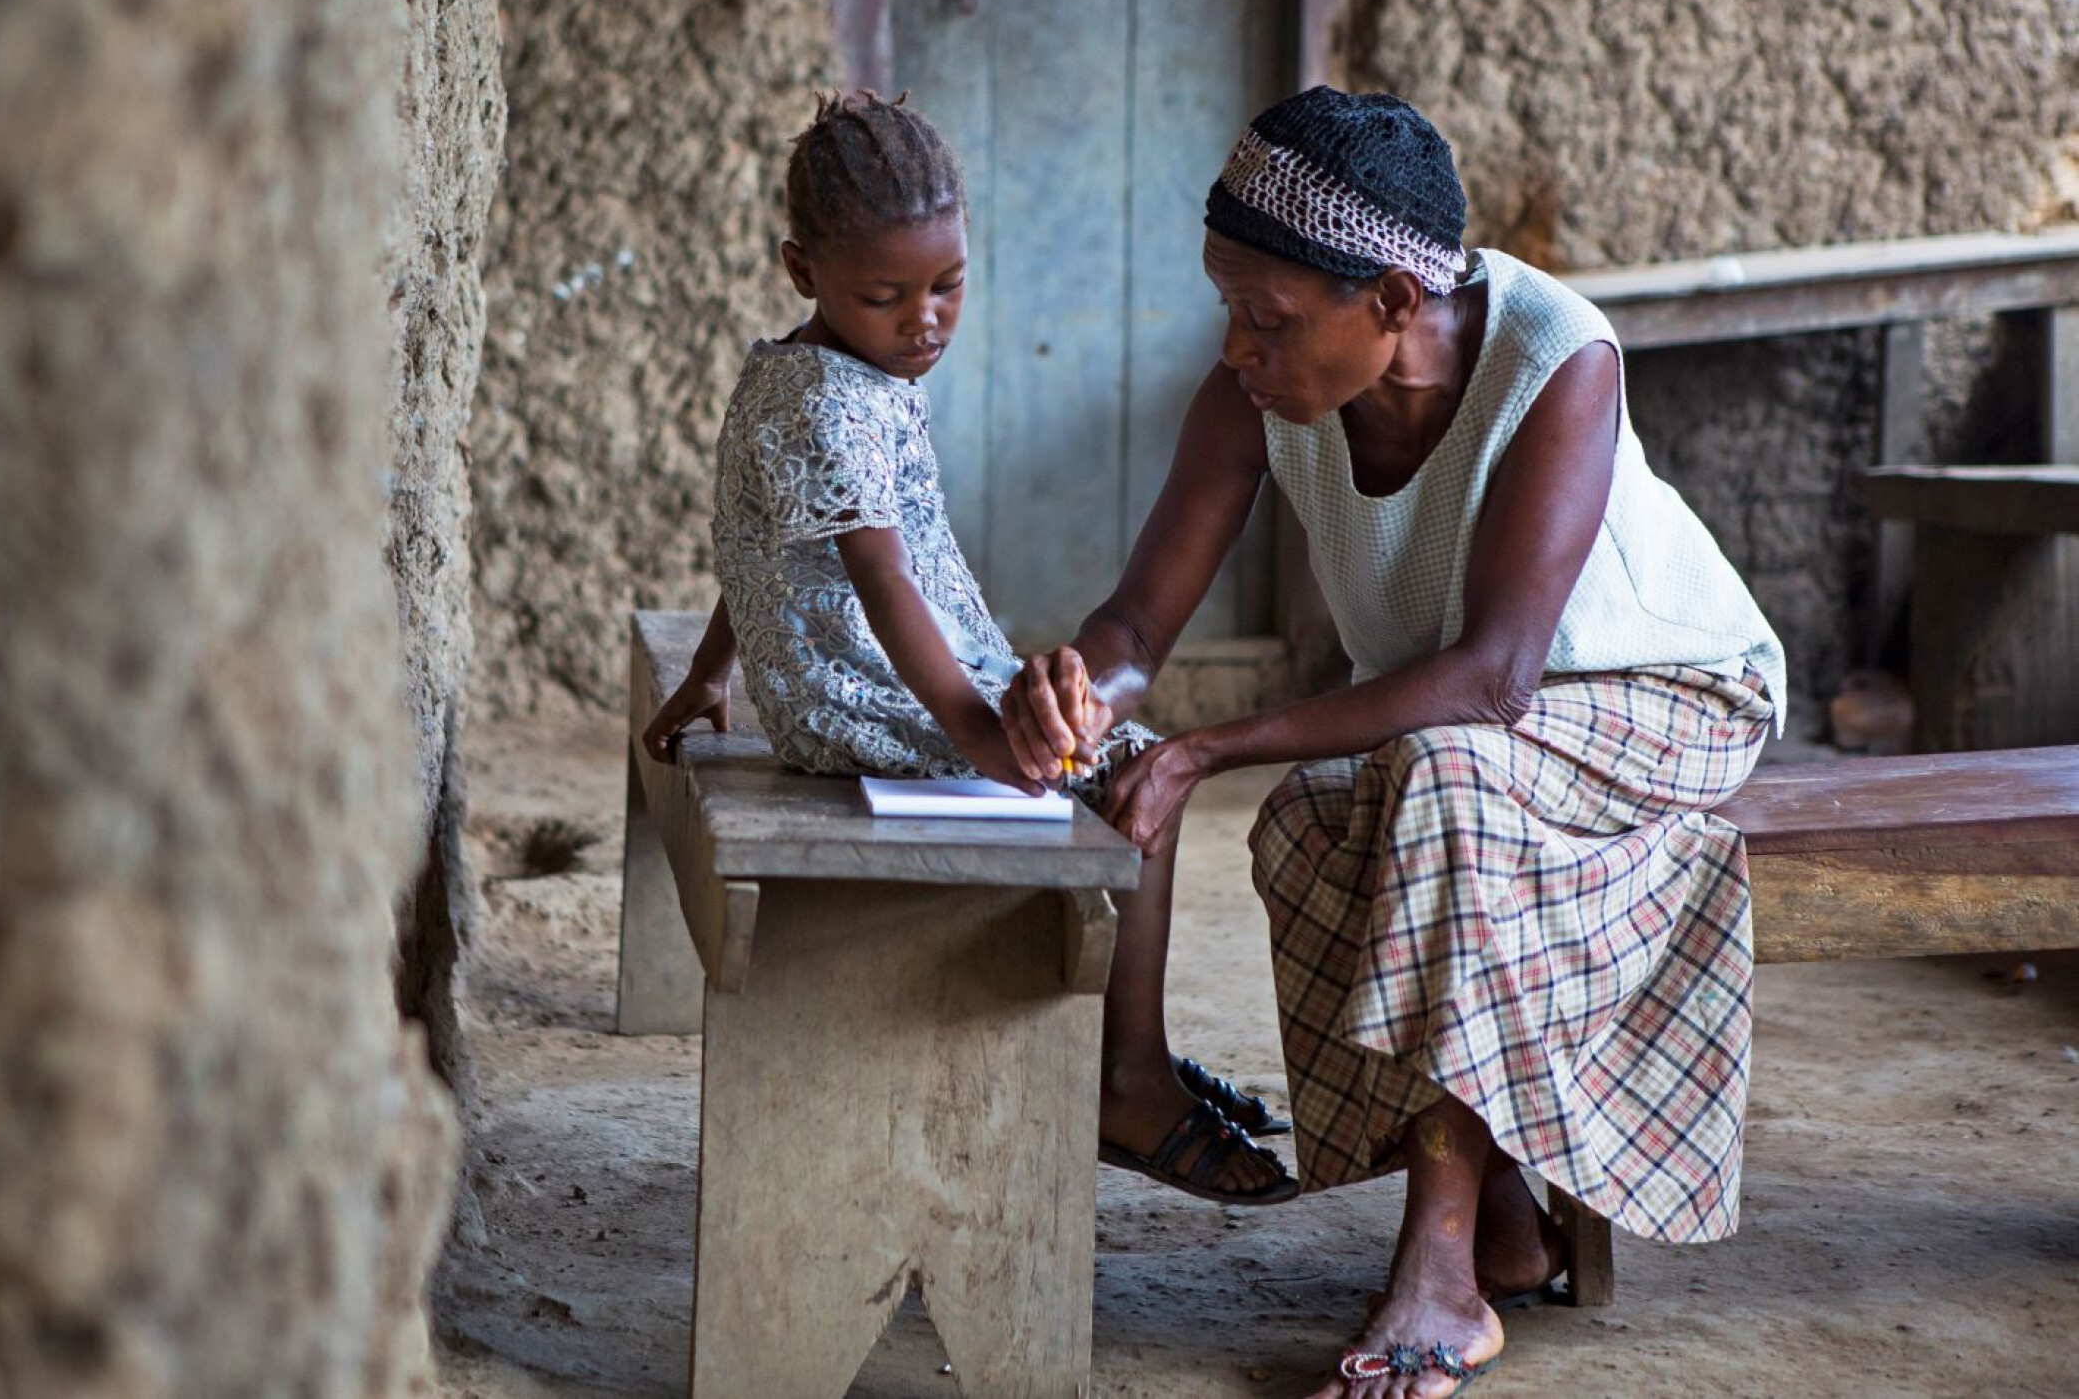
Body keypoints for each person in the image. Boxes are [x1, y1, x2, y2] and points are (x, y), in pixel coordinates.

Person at [1002, 87, 1786, 1398]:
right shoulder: (1253, 393)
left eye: (1269, 315)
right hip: (1478, 725)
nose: (1239, 346)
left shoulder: (1557, 360)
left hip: (1670, 693)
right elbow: (1140, 619)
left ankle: (1439, 1277)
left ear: (1391, 304)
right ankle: (1506, 1220)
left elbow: (1491, 677)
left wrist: (1205, 746)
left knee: (1439, 778)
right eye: (1227, 305)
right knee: (1308, 815)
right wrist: (1084, 686)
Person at [640, 89, 1296, 1205]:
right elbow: (883, 585)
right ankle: (1124, 1079)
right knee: (1138, 768)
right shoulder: (831, 404)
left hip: (844, 670)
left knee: (1112, 750)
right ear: (802, 269)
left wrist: (714, 669)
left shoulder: (816, 368)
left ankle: (1125, 1055)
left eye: (946, 285)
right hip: (858, 692)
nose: (923, 321)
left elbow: (766, 547)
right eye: (884, 295)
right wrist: (979, 733)